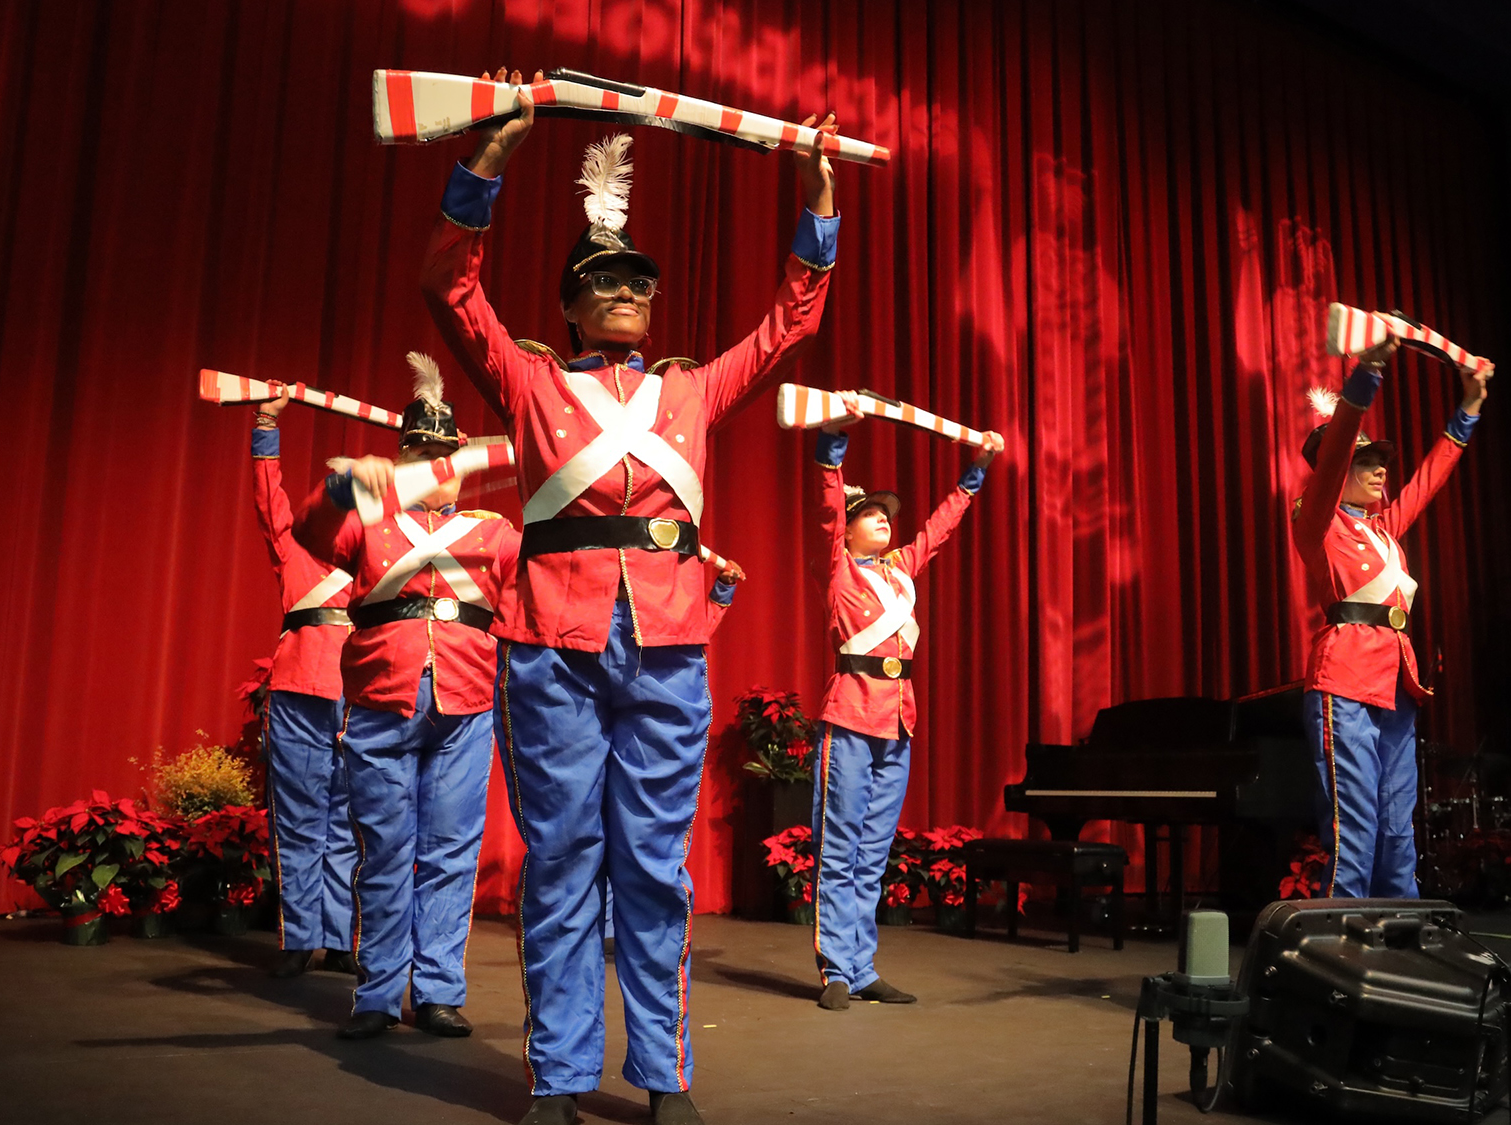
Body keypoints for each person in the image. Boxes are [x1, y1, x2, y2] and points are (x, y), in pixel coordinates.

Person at [420, 67, 839, 1125]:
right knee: (560, 866)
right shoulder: (527, 380)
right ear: (566, 302)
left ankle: (663, 1076)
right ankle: (559, 1078)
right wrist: (494, 155)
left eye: (638, 280)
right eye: (603, 278)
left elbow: (791, 323)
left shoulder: (692, 388)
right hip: (549, 640)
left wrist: (818, 198)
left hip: (665, 642)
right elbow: (448, 286)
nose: (625, 289)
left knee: (656, 868)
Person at [293, 355, 520, 1040]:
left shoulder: (493, 530)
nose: (434, 463)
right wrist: (341, 485)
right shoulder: (368, 519)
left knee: (452, 850)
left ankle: (440, 988)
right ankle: (379, 990)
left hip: (467, 700)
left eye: (445, 452)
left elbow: (541, 579)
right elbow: (309, 533)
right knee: (386, 849)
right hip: (381, 700)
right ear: (402, 457)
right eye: (421, 450)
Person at [807, 392, 1001, 1010]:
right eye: (871, 515)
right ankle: (836, 968)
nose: (884, 520)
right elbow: (826, 512)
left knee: (875, 849)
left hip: (899, 719)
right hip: (850, 712)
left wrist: (976, 472)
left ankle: (863, 969)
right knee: (839, 847)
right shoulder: (837, 568)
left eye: (888, 515)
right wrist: (833, 448)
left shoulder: (900, 571)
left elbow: (940, 528)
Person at [1293, 337, 1492, 898]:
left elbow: (1432, 475)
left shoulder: (1383, 530)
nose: (1380, 469)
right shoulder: (1316, 521)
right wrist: (1369, 371)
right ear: (1337, 470)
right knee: (1352, 819)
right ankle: (1343, 933)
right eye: (1365, 461)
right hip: (1345, 677)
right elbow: (1330, 463)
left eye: (1380, 460)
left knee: (1396, 821)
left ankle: (1399, 927)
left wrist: (1470, 405)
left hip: (1395, 680)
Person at [251, 389, 358, 979]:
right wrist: (267, 426)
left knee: (349, 819)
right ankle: (299, 934)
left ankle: (341, 936)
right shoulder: (290, 548)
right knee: (297, 815)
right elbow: (270, 498)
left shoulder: (376, 548)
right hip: (298, 688)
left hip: (360, 692)